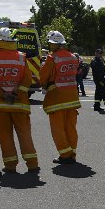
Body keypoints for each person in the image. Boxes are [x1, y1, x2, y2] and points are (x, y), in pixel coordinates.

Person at [0, 27, 39, 173]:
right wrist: (15, 93)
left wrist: (2, 93)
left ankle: (10, 165)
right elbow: (27, 79)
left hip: (0, 105)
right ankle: (32, 164)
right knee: (25, 134)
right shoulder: (21, 57)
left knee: (5, 136)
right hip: (19, 104)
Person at [39, 30, 81, 164]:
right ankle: (72, 152)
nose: (50, 47)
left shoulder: (53, 58)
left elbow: (43, 76)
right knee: (71, 127)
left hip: (57, 98)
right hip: (72, 97)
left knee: (58, 128)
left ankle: (65, 154)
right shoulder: (73, 57)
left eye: (51, 44)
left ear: (55, 45)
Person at [90, 48, 105, 112]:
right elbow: (97, 70)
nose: (100, 55)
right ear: (96, 53)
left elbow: (101, 69)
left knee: (98, 93)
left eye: (101, 53)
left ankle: (96, 106)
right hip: (99, 79)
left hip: (101, 78)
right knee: (104, 93)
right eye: (99, 53)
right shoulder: (95, 61)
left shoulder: (100, 61)